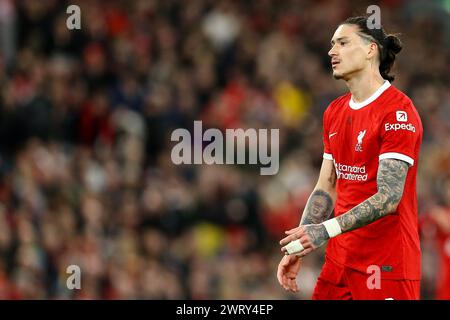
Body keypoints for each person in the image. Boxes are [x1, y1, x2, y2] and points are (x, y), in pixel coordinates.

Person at [276, 16, 423, 300]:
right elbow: (326, 185)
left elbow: (389, 197)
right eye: (332, 45)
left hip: (385, 264)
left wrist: (324, 230)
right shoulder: (334, 111)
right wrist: (300, 246)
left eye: (343, 43)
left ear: (371, 50)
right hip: (340, 261)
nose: (332, 51)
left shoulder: (398, 112)